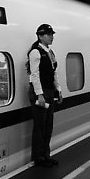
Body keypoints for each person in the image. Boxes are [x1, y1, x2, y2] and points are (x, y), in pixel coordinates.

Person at [26, 24, 63, 167]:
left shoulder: (50, 52)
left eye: (52, 34)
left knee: (48, 125)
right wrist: (39, 95)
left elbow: (54, 73)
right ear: (40, 36)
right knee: (40, 126)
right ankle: (38, 157)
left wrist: (58, 90)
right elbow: (34, 75)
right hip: (39, 93)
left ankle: (46, 155)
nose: (51, 36)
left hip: (48, 91)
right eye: (48, 34)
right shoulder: (35, 52)